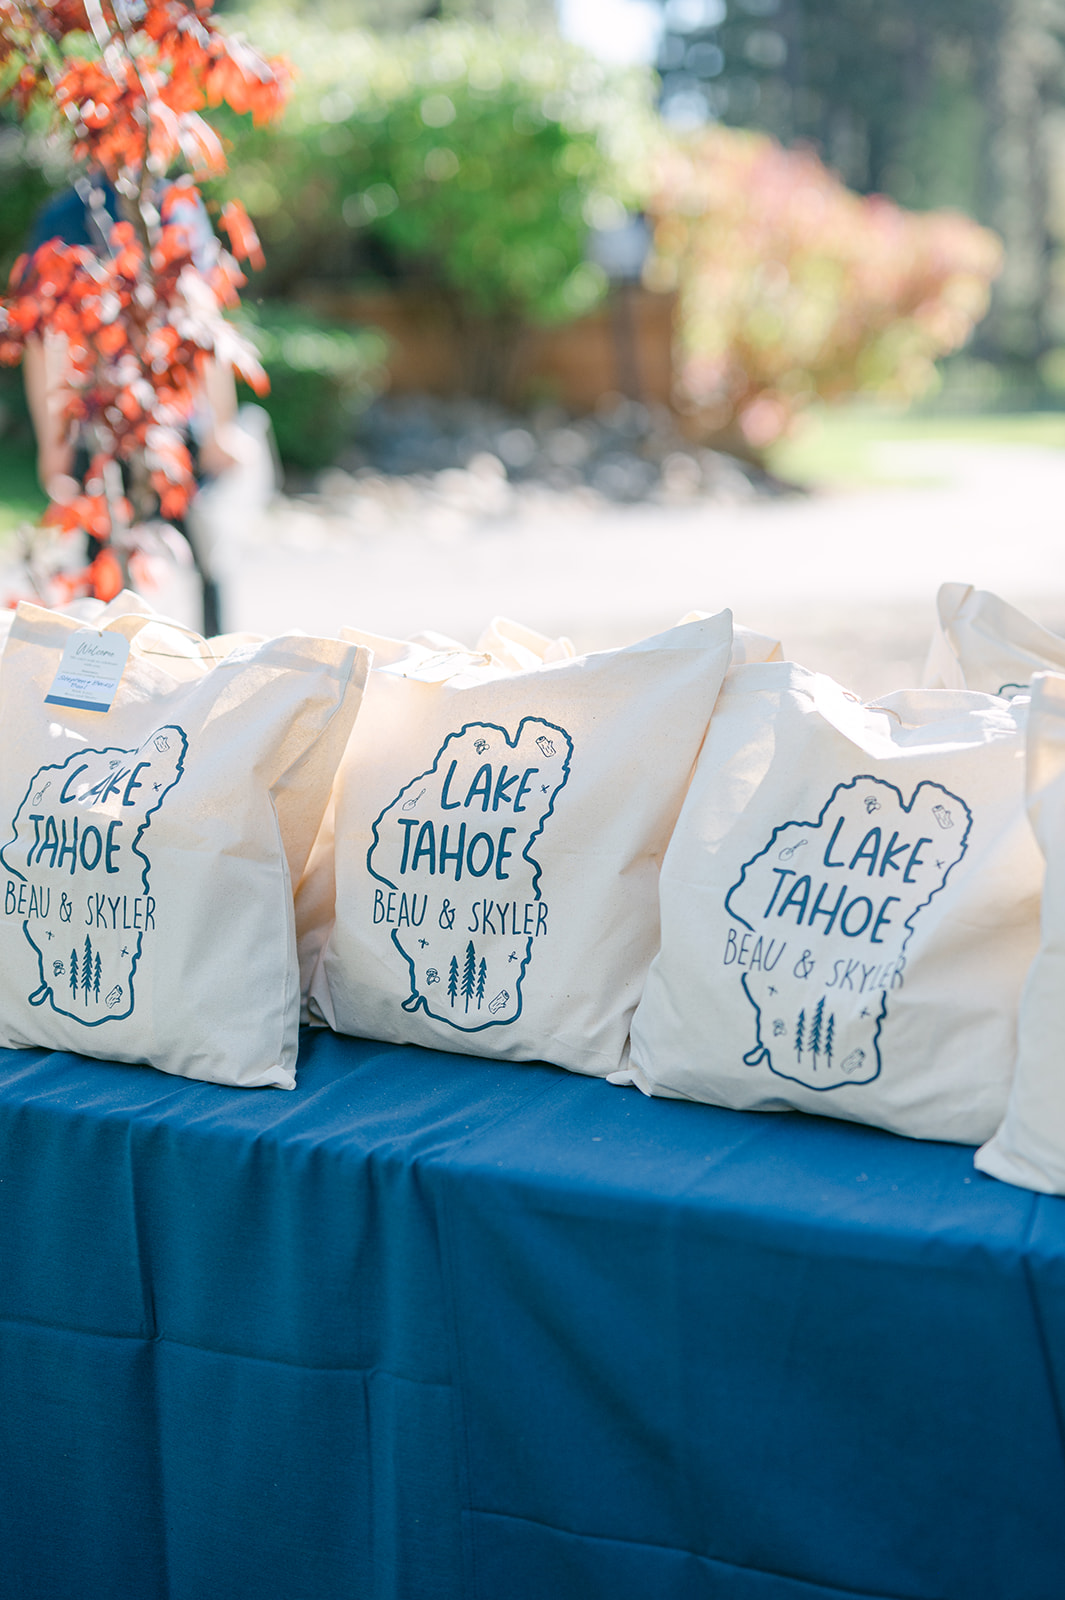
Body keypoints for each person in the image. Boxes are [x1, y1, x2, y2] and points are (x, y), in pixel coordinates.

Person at [21, 174, 244, 633]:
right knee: (106, 570)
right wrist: (54, 442)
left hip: (175, 423)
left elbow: (204, 323)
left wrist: (220, 425)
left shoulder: (178, 207)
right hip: (101, 424)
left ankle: (207, 674)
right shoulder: (69, 217)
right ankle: (112, 689)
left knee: (204, 558)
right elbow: (46, 339)